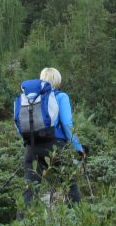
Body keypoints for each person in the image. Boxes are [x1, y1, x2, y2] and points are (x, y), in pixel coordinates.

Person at [20, 67, 86, 206]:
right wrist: (78, 148)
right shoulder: (61, 96)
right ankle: (76, 222)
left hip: (32, 147)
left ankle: (22, 224)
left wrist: (31, 143)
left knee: (29, 192)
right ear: (58, 80)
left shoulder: (30, 100)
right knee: (70, 186)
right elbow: (68, 124)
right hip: (55, 147)